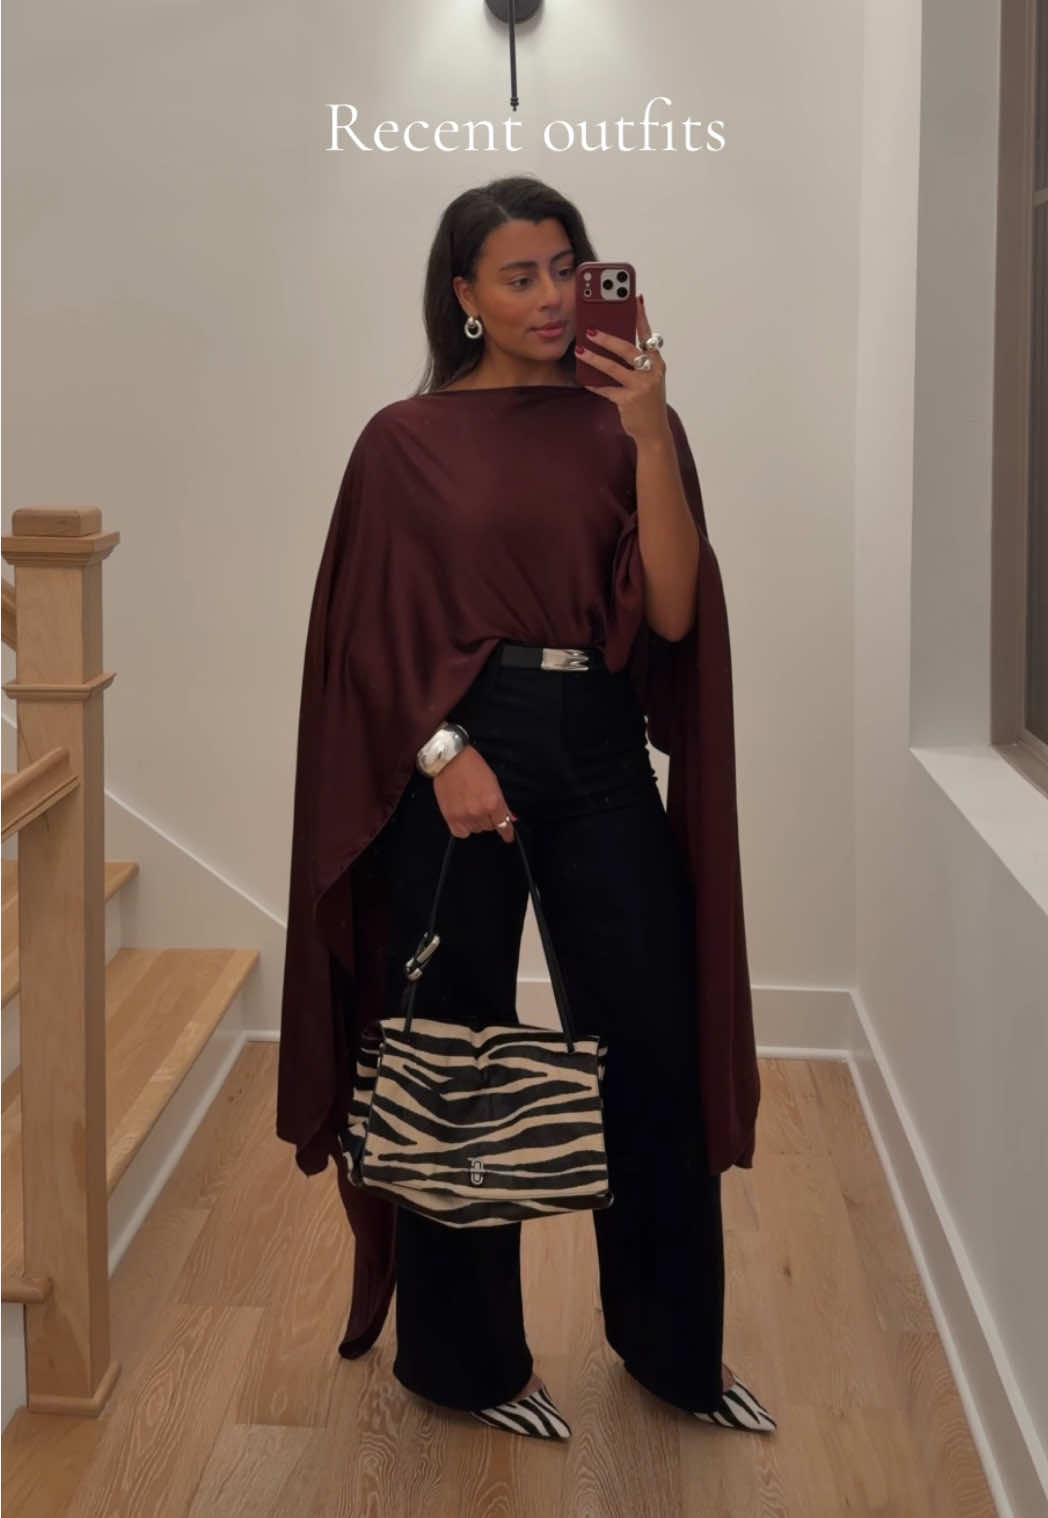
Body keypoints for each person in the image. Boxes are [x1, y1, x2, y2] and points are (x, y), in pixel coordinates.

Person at [277, 175, 774, 1441]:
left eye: (566, 267)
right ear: (463, 296)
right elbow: (364, 638)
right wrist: (443, 751)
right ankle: (466, 1366)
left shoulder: (628, 422)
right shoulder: (401, 440)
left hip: (596, 746)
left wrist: (650, 435)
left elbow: (672, 613)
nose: (551, 296)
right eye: (518, 276)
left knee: (648, 1040)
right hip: (452, 762)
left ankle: (673, 1350)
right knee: (453, 1050)